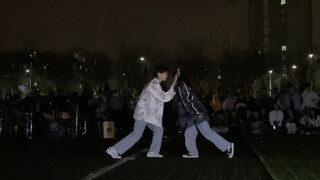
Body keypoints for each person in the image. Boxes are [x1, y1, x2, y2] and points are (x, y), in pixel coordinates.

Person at [106, 66, 180, 159]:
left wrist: (174, 82)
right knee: (136, 135)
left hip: (148, 115)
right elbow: (163, 98)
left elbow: (163, 96)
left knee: (159, 129)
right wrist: (173, 85)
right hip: (143, 114)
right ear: (159, 74)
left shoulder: (156, 84)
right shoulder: (153, 85)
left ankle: (153, 152)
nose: (166, 75)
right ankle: (114, 150)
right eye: (165, 73)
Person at [177, 80, 234, 159]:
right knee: (189, 132)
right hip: (194, 115)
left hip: (197, 115)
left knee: (207, 132)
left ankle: (228, 146)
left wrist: (198, 113)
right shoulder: (183, 88)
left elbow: (191, 101)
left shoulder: (183, 88)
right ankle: (193, 152)